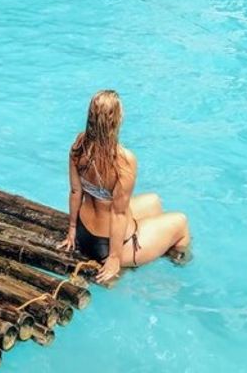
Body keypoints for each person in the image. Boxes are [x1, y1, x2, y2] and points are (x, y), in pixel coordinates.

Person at [57, 89, 191, 283]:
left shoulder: (79, 145)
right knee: (181, 222)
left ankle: (155, 245)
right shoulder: (124, 160)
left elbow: (76, 191)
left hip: (83, 232)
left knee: (154, 201)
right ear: (117, 120)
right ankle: (178, 266)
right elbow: (118, 214)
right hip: (109, 245)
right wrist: (114, 258)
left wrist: (72, 230)